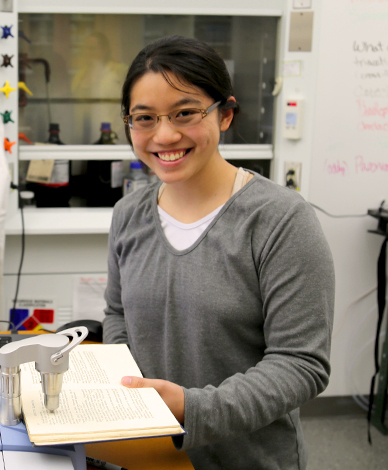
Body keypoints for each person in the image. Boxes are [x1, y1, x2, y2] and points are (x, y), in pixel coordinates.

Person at [103, 35, 335, 469]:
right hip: (150, 452)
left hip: (248, 460)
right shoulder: (128, 215)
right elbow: (117, 314)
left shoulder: (281, 220)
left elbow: (302, 363)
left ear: (225, 114)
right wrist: (127, 387)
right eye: (145, 118)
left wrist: (191, 409)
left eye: (186, 113)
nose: (165, 134)